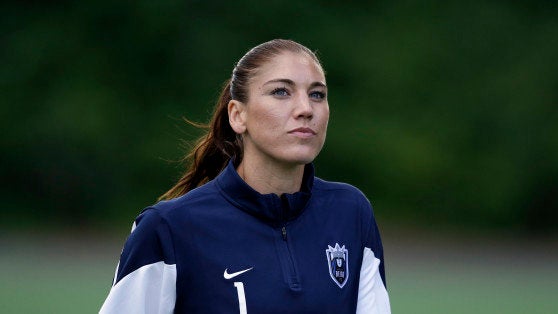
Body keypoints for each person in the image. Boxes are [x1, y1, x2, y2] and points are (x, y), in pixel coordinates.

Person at [99, 39, 390, 314]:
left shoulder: (350, 212)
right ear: (237, 115)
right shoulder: (167, 229)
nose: (306, 109)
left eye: (317, 94)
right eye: (281, 92)